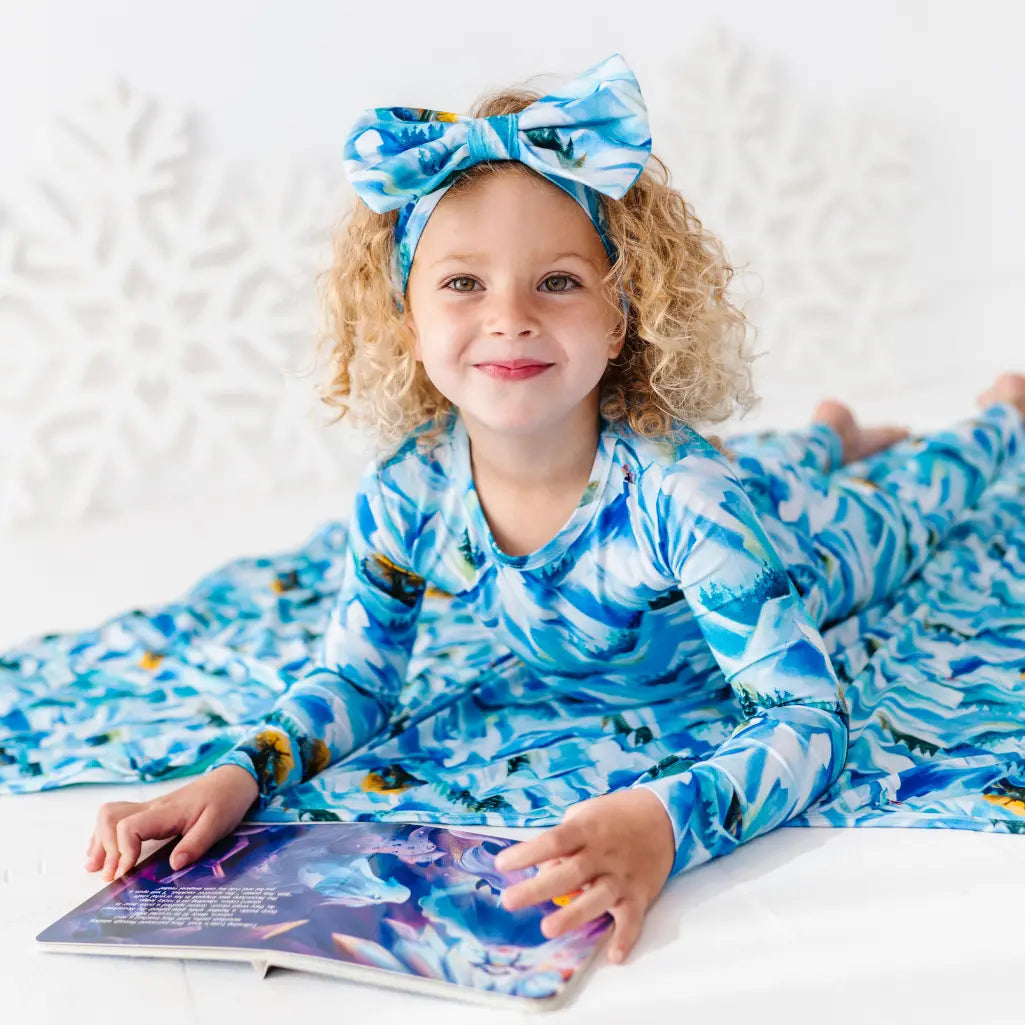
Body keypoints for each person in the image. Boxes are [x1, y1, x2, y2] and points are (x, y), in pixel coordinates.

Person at [84, 52, 1025, 966]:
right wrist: (237, 771)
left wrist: (666, 822)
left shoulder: (685, 498)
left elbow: (804, 712)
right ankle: (826, 431)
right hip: (731, 504)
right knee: (785, 464)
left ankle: (996, 416)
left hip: (801, 550)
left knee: (912, 502)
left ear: (621, 316)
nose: (510, 316)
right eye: (462, 282)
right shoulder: (409, 487)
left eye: (559, 281)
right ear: (408, 317)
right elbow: (359, 682)